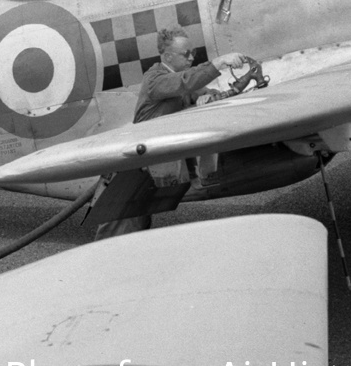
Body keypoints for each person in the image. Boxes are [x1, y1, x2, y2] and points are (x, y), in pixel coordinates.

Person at [94, 28, 260, 238]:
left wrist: (208, 96)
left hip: (154, 166)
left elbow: (200, 89)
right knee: (116, 236)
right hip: (134, 170)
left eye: (193, 52)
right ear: (168, 56)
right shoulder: (155, 79)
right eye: (186, 54)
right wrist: (218, 63)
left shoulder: (176, 77)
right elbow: (184, 82)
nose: (192, 57)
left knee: (136, 233)